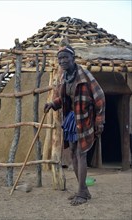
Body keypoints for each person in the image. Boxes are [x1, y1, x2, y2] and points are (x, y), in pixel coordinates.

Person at [44, 45, 105, 206]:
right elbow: (65, 98)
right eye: (60, 58)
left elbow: (100, 97)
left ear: (73, 58)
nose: (62, 61)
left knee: (81, 153)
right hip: (72, 118)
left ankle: (82, 194)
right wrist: (52, 104)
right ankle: (83, 189)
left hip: (84, 118)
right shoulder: (65, 77)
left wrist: (99, 120)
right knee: (72, 152)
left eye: (65, 57)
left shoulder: (84, 76)